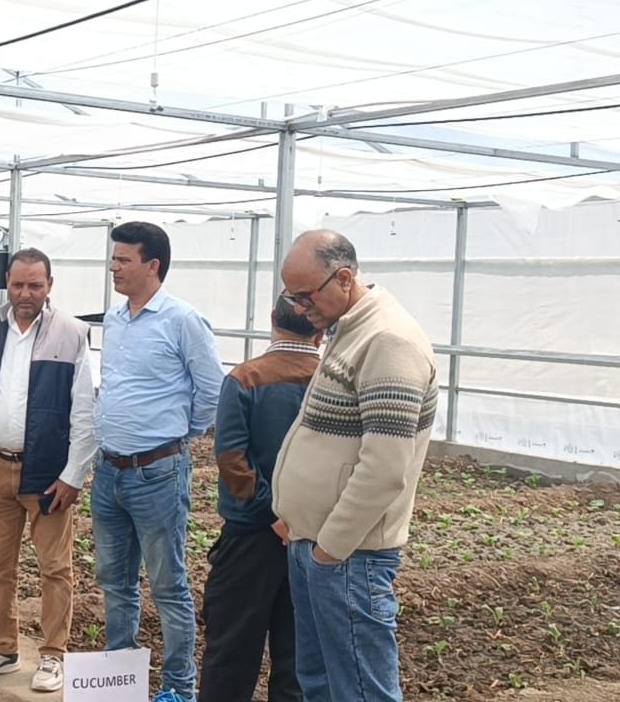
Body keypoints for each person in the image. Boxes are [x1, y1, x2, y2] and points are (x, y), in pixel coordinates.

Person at [272, 231, 438, 702]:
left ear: (343, 278)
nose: (299, 308)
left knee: (360, 692)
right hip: (318, 547)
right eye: (292, 296)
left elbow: (385, 468)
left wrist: (329, 549)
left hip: (350, 558)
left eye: (306, 296)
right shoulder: (351, 329)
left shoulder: (388, 341)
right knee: (322, 684)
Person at [93, 221, 224, 702]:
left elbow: (212, 391)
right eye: (113, 259)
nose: (114, 267)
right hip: (109, 471)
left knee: (168, 585)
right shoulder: (115, 319)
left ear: (152, 265)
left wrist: (176, 436)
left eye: (123, 260)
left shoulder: (182, 320)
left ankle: (178, 687)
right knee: (115, 582)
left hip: (157, 474)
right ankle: (118, 684)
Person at [0, 248, 96, 693]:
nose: (25, 293)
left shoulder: (71, 333)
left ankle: (54, 655)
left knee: (55, 568)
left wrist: (73, 474)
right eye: (18, 285)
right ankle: (1, 648)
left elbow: (84, 410)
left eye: (35, 285)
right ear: (7, 284)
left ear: (49, 285)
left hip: (47, 474)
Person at [198, 296, 321, 702]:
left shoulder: (245, 378)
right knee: (298, 660)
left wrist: (273, 514)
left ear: (272, 319)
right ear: (320, 330)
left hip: (250, 536)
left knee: (231, 656)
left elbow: (233, 460)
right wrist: (299, 519)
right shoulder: (332, 380)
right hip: (315, 541)